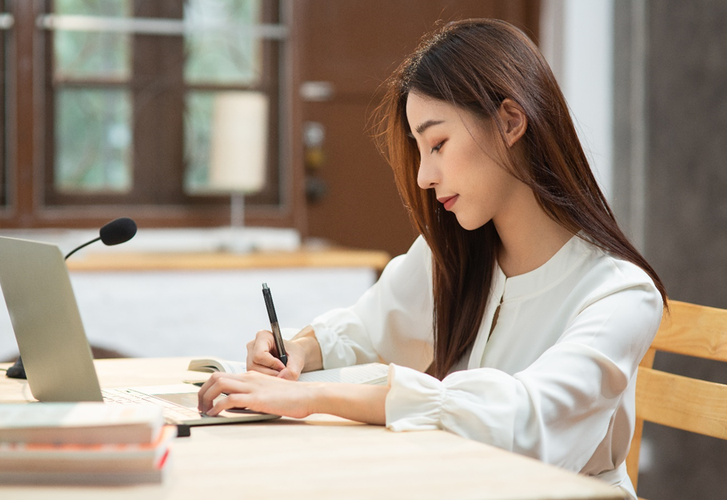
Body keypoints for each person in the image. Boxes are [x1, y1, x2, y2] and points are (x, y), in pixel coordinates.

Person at [198, 18, 666, 498]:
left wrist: (313, 395)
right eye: (420, 150)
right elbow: (369, 328)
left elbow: (524, 422)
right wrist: (298, 350)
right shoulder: (456, 255)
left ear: (510, 121)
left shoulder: (620, 295)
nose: (423, 176)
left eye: (438, 144)